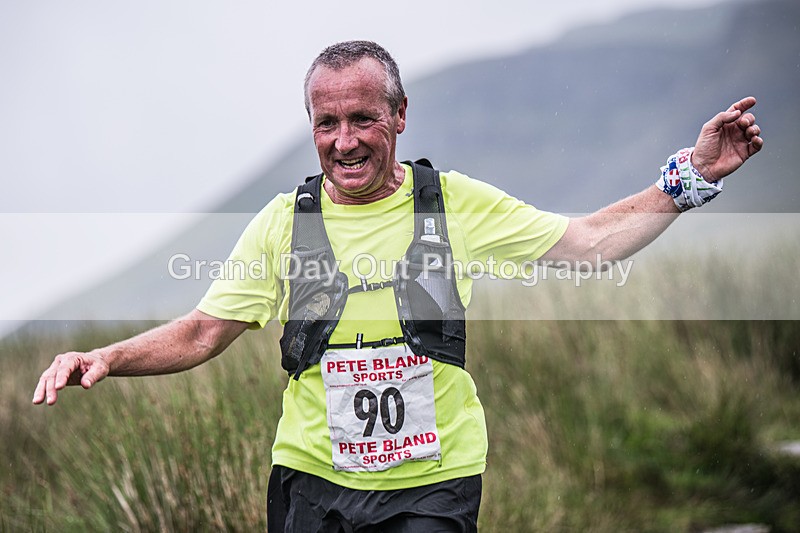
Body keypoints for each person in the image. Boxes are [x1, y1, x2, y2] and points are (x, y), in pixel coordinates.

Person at [32, 40, 763, 532]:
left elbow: (592, 243)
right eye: (326, 122)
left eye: (361, 119)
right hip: (311, 477)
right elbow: (201, 331)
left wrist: (690, 178)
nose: (343, 140)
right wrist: (104, 358)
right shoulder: (284, 222)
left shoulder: (454, 203)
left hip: (434, 480)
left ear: (399, 117)